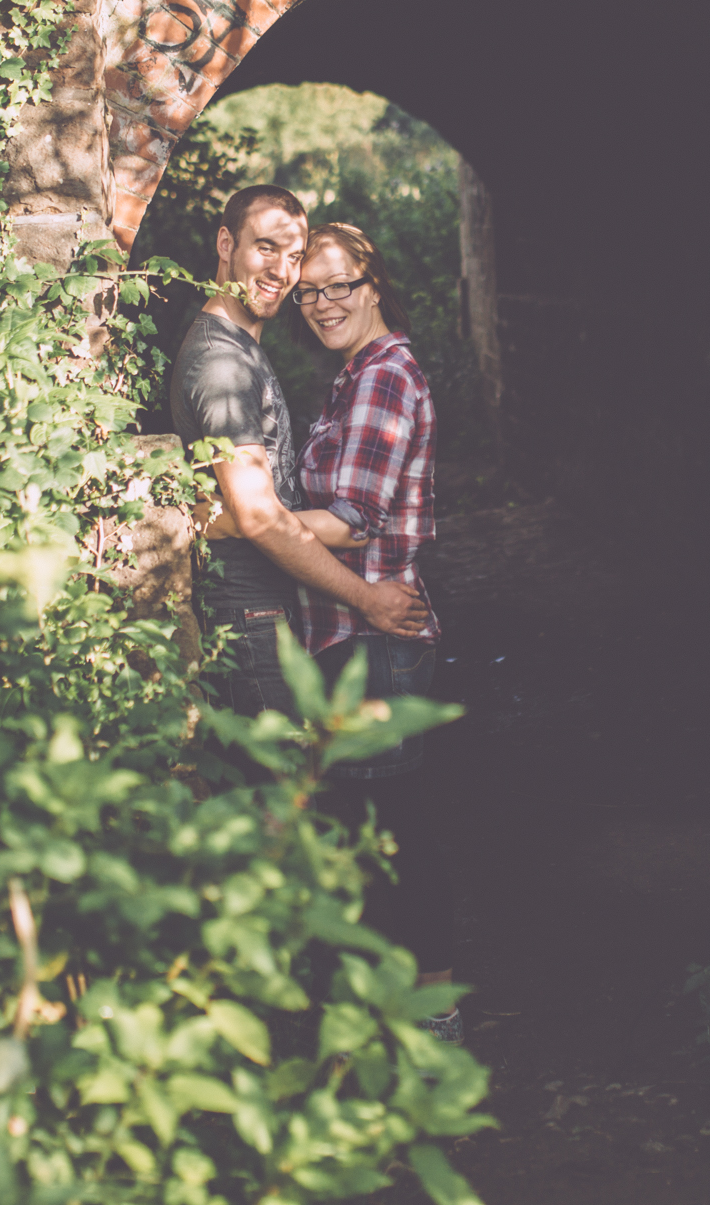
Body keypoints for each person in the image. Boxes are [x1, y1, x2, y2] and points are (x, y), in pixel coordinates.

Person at [168, 185, 431, 732]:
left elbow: (285, 516)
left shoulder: (357, 371)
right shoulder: (224, 364)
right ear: (225, 243)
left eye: (294, 258)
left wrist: (218, 519)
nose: (283, 274)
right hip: (254, 614)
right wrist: (237, 517)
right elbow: (258, 514)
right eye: (266, 248)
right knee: (284, 796)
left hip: (312, 620)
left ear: (373, 288)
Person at [285, 222, 459, 1044]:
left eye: (338, 286)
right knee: (372, 832)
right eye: (308, 291)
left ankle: (434, 1019)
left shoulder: (384, 376)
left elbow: (352, 521)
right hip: (353, 635)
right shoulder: (354, 376)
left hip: (378, 645)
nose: (322, 304)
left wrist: (246, 521)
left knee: (397, 838)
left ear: (373, 283)